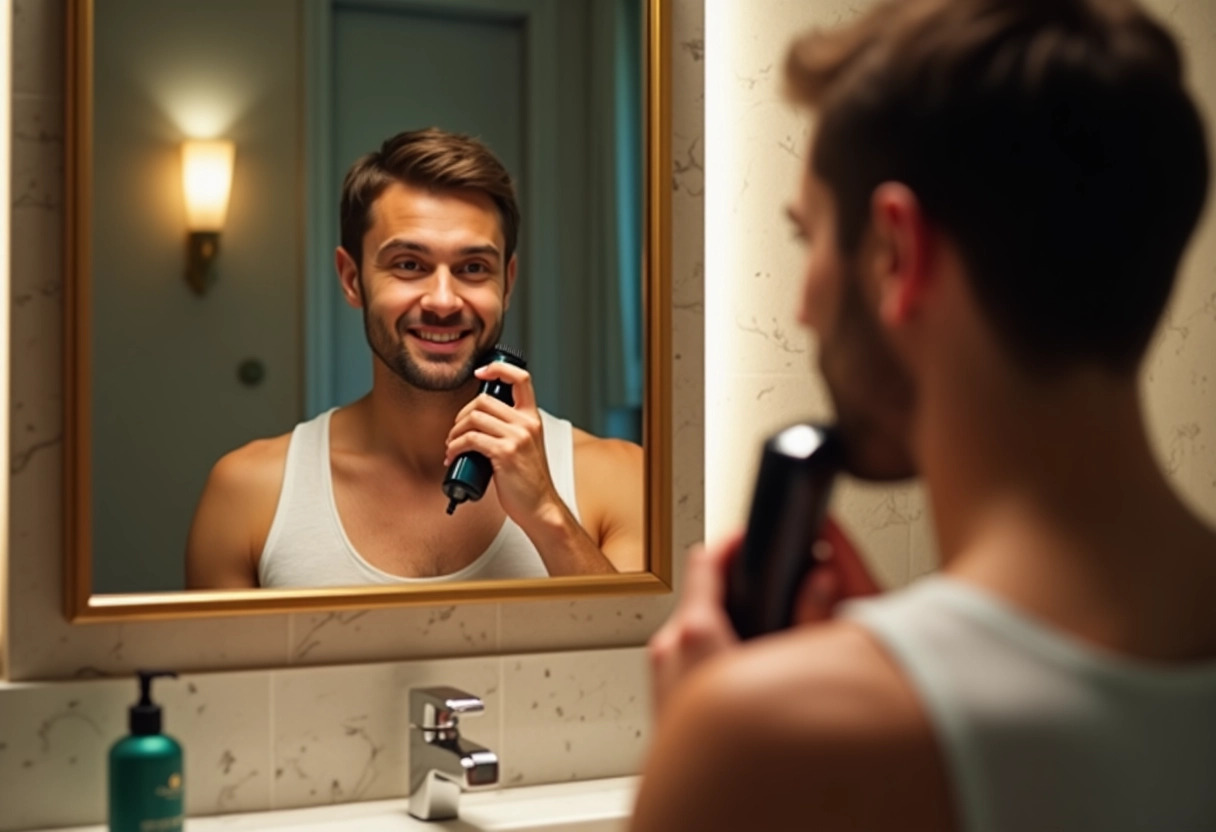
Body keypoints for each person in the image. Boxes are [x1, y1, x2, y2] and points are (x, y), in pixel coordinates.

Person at [632, 0, 1216, 830]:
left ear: (895, 254)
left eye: (810, 241)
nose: (801, 308)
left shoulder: (766, 741)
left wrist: (715, 732)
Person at [186, 128, 644, 588]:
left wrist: (547, 512)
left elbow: (646, 654)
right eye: (409, 264)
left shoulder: (617, 478)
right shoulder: (247, 494)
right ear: (351, 279)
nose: (443, 301)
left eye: (472, 268)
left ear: (507, 282)